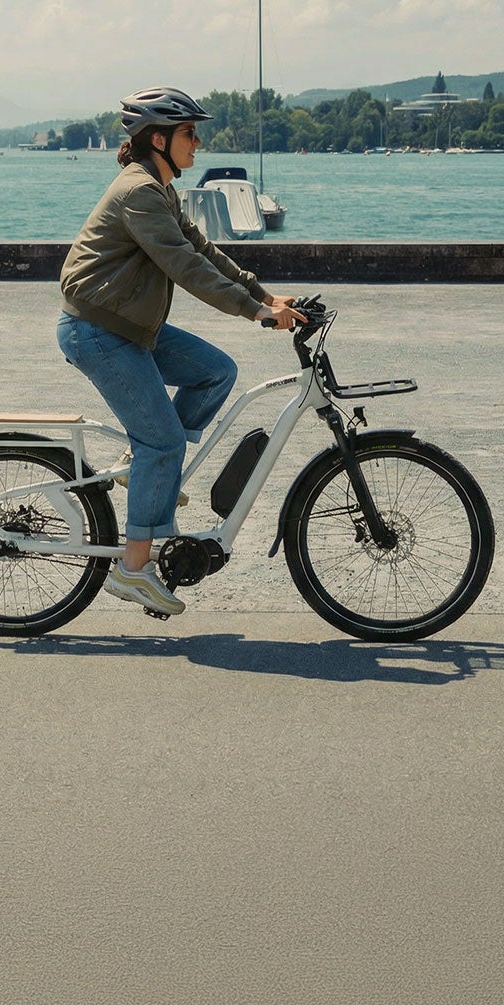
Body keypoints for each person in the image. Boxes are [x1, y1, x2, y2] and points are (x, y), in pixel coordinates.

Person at [57, 85, 305, 617]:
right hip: (99, 331)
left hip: (131, 326)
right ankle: (132, 568)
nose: (198, 143)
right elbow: (185, 268)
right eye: (190, 133)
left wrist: (263, 293)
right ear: (158, 138)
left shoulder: (160, 189)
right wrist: (253, 311)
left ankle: (141, 464)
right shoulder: (139, 193)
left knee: (215, 372)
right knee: (164, 442)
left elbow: (202, 249)